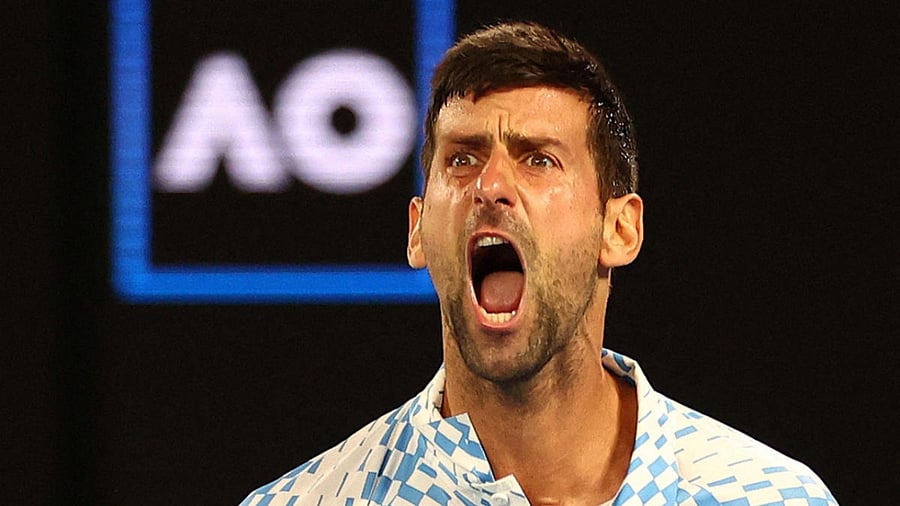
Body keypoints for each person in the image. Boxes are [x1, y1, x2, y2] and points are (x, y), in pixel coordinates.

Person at [241, 22, 836, 505]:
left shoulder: (771, 498)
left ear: (619, 229)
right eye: (462, 159)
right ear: (418, 230)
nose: (491, 186)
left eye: (538, 159)